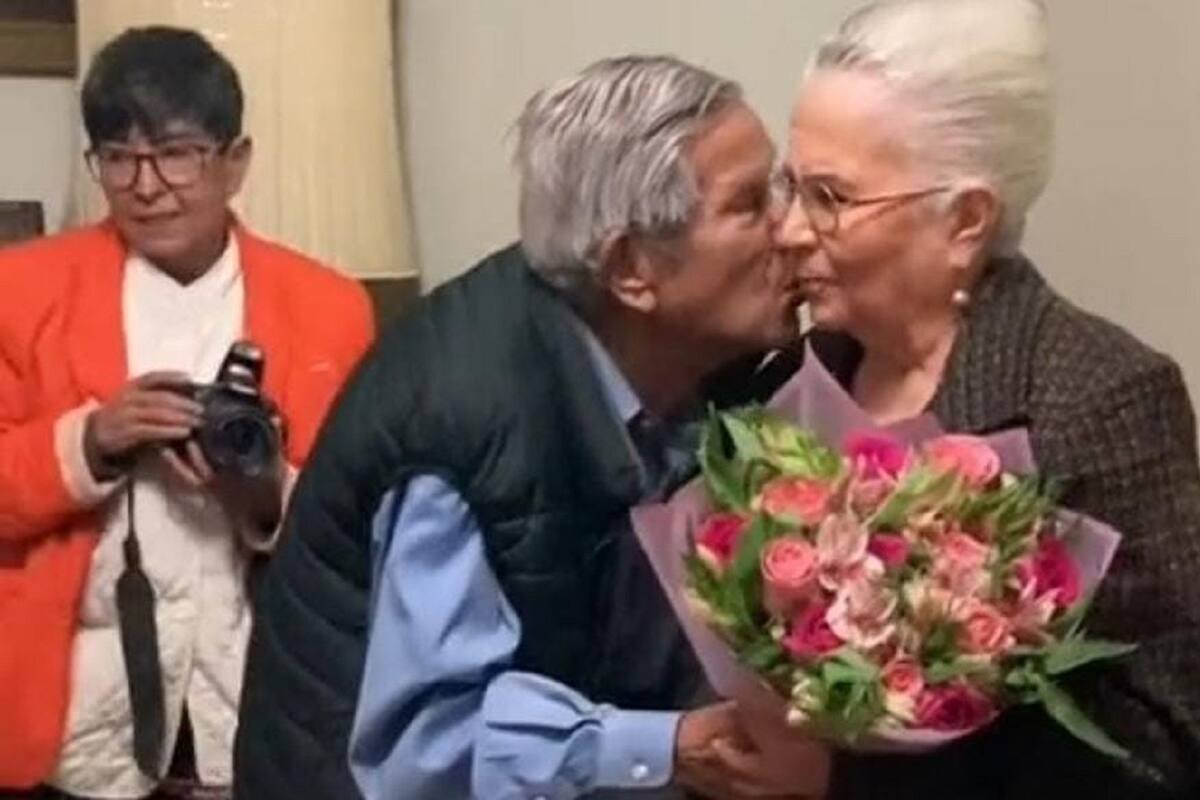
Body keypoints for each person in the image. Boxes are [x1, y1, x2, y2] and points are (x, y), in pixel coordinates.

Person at [233, 55, 831, 799]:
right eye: (749, 206)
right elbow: (423, 749)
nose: (794, 230)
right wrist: (664, 746)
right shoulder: (462, 421)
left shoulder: (711, 363)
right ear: (631, 269)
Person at [744, 0, 1200, 797]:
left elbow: (1163, 748)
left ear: (963, 220)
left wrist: (853, 770)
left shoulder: (1099, 397)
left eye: (831, 198)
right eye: (792, 186)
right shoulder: (800, 375)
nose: (788, 230)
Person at [0, 27, 374, 800]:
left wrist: (267, 496)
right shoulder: (20, 291)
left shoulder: (329, 308)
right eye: (118, 156)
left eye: (176, 153)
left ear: (234, 161)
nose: (146, 184)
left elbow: (362, 525)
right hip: (67, 710)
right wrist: (92, 443)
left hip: (256, 690)